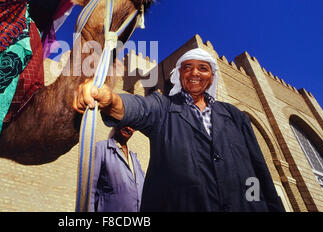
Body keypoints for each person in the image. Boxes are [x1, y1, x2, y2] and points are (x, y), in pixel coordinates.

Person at [73, 48, 285, 212]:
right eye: (187, 67)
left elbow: (257, 174)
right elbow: (140, 108)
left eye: (202, 68)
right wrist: (111, 100)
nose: (194, 73)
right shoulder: (163, 106)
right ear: (179, 75)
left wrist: (255, 205)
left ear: (211, 76)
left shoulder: (234, 116)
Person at [89, 126, 145, 212]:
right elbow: (89, 191)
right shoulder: (101, 148)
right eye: (127, 123)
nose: (129, 128)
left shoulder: (134, 158)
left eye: (133, 126)